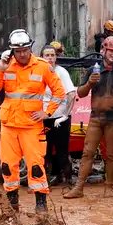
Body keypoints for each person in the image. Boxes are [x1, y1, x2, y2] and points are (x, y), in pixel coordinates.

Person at [0, 29, 65, 212]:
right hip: (9, 126)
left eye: (25, 50)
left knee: (36, 166)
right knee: (7, 166)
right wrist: (0, 69)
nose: (22, 54)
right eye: (18, 51)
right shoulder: (6, 66)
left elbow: (59, 92)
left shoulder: (42, 66)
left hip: (31, 126)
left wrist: (47, 112)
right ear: (12, 51)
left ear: (30, 48)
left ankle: (41, 206)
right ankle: (12, 205)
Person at [66, 38, 113, 198]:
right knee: (88, 152)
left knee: (111, 154)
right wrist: (90, 83)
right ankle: (79, 188)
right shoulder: (93, 70)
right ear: (103, 51)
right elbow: (81, 93)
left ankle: (109, 187)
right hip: (96, 118)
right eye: (111, 51)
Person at [40, 45, 75, 186]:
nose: (50, 58)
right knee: (44, 151)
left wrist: (66, 114)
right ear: (41, 57)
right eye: (47, 55)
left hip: (59, 118)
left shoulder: (61, 72)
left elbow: (71, 94)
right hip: (43, 119)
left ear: (56, 57)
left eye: (52, 55)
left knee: (62, 151)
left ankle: (68, 180)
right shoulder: (38, 73)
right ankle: (45, 180)